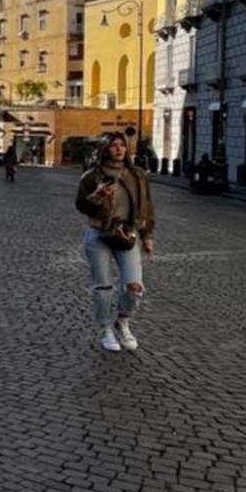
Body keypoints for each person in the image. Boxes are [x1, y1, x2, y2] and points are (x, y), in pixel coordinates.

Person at [75, 129, 155, 353]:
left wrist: (148, 235)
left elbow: (147, 207)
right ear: (105, 149)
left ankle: (122, 320)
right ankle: (106, 329)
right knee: (103, 287)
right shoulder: (92, 176)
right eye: (113, 145)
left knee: (134, 287)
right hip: (99, 234)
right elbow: (81, 205)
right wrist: (97, 196)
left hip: (127, 235)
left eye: (122, 145)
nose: (119, 149)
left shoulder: (138, 175)